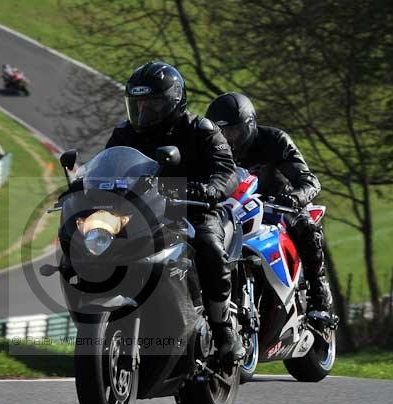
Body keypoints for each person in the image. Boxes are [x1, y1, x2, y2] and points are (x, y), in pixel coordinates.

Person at [105, 61, 245, 363]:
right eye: (138, 104)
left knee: (209, 246)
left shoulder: (201, 130)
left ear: (174, 102)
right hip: (141, 211)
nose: (144, 113)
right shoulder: (125, 133)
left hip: (194, 209)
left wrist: (210, 189)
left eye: (153, 105)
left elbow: (226, 171)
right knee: (94, 237)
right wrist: (83, 187)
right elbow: (107, 164)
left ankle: (222, 329)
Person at [205, 92, 333, 322]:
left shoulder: (274, 140)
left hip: (277, 205)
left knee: (305, 226)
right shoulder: (211, 148)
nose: (229, 139)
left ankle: (318, 293)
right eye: (222, 132)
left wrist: (295, 197)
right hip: (234, 207)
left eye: (234, 131)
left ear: (250, 125)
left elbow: (309, 181)